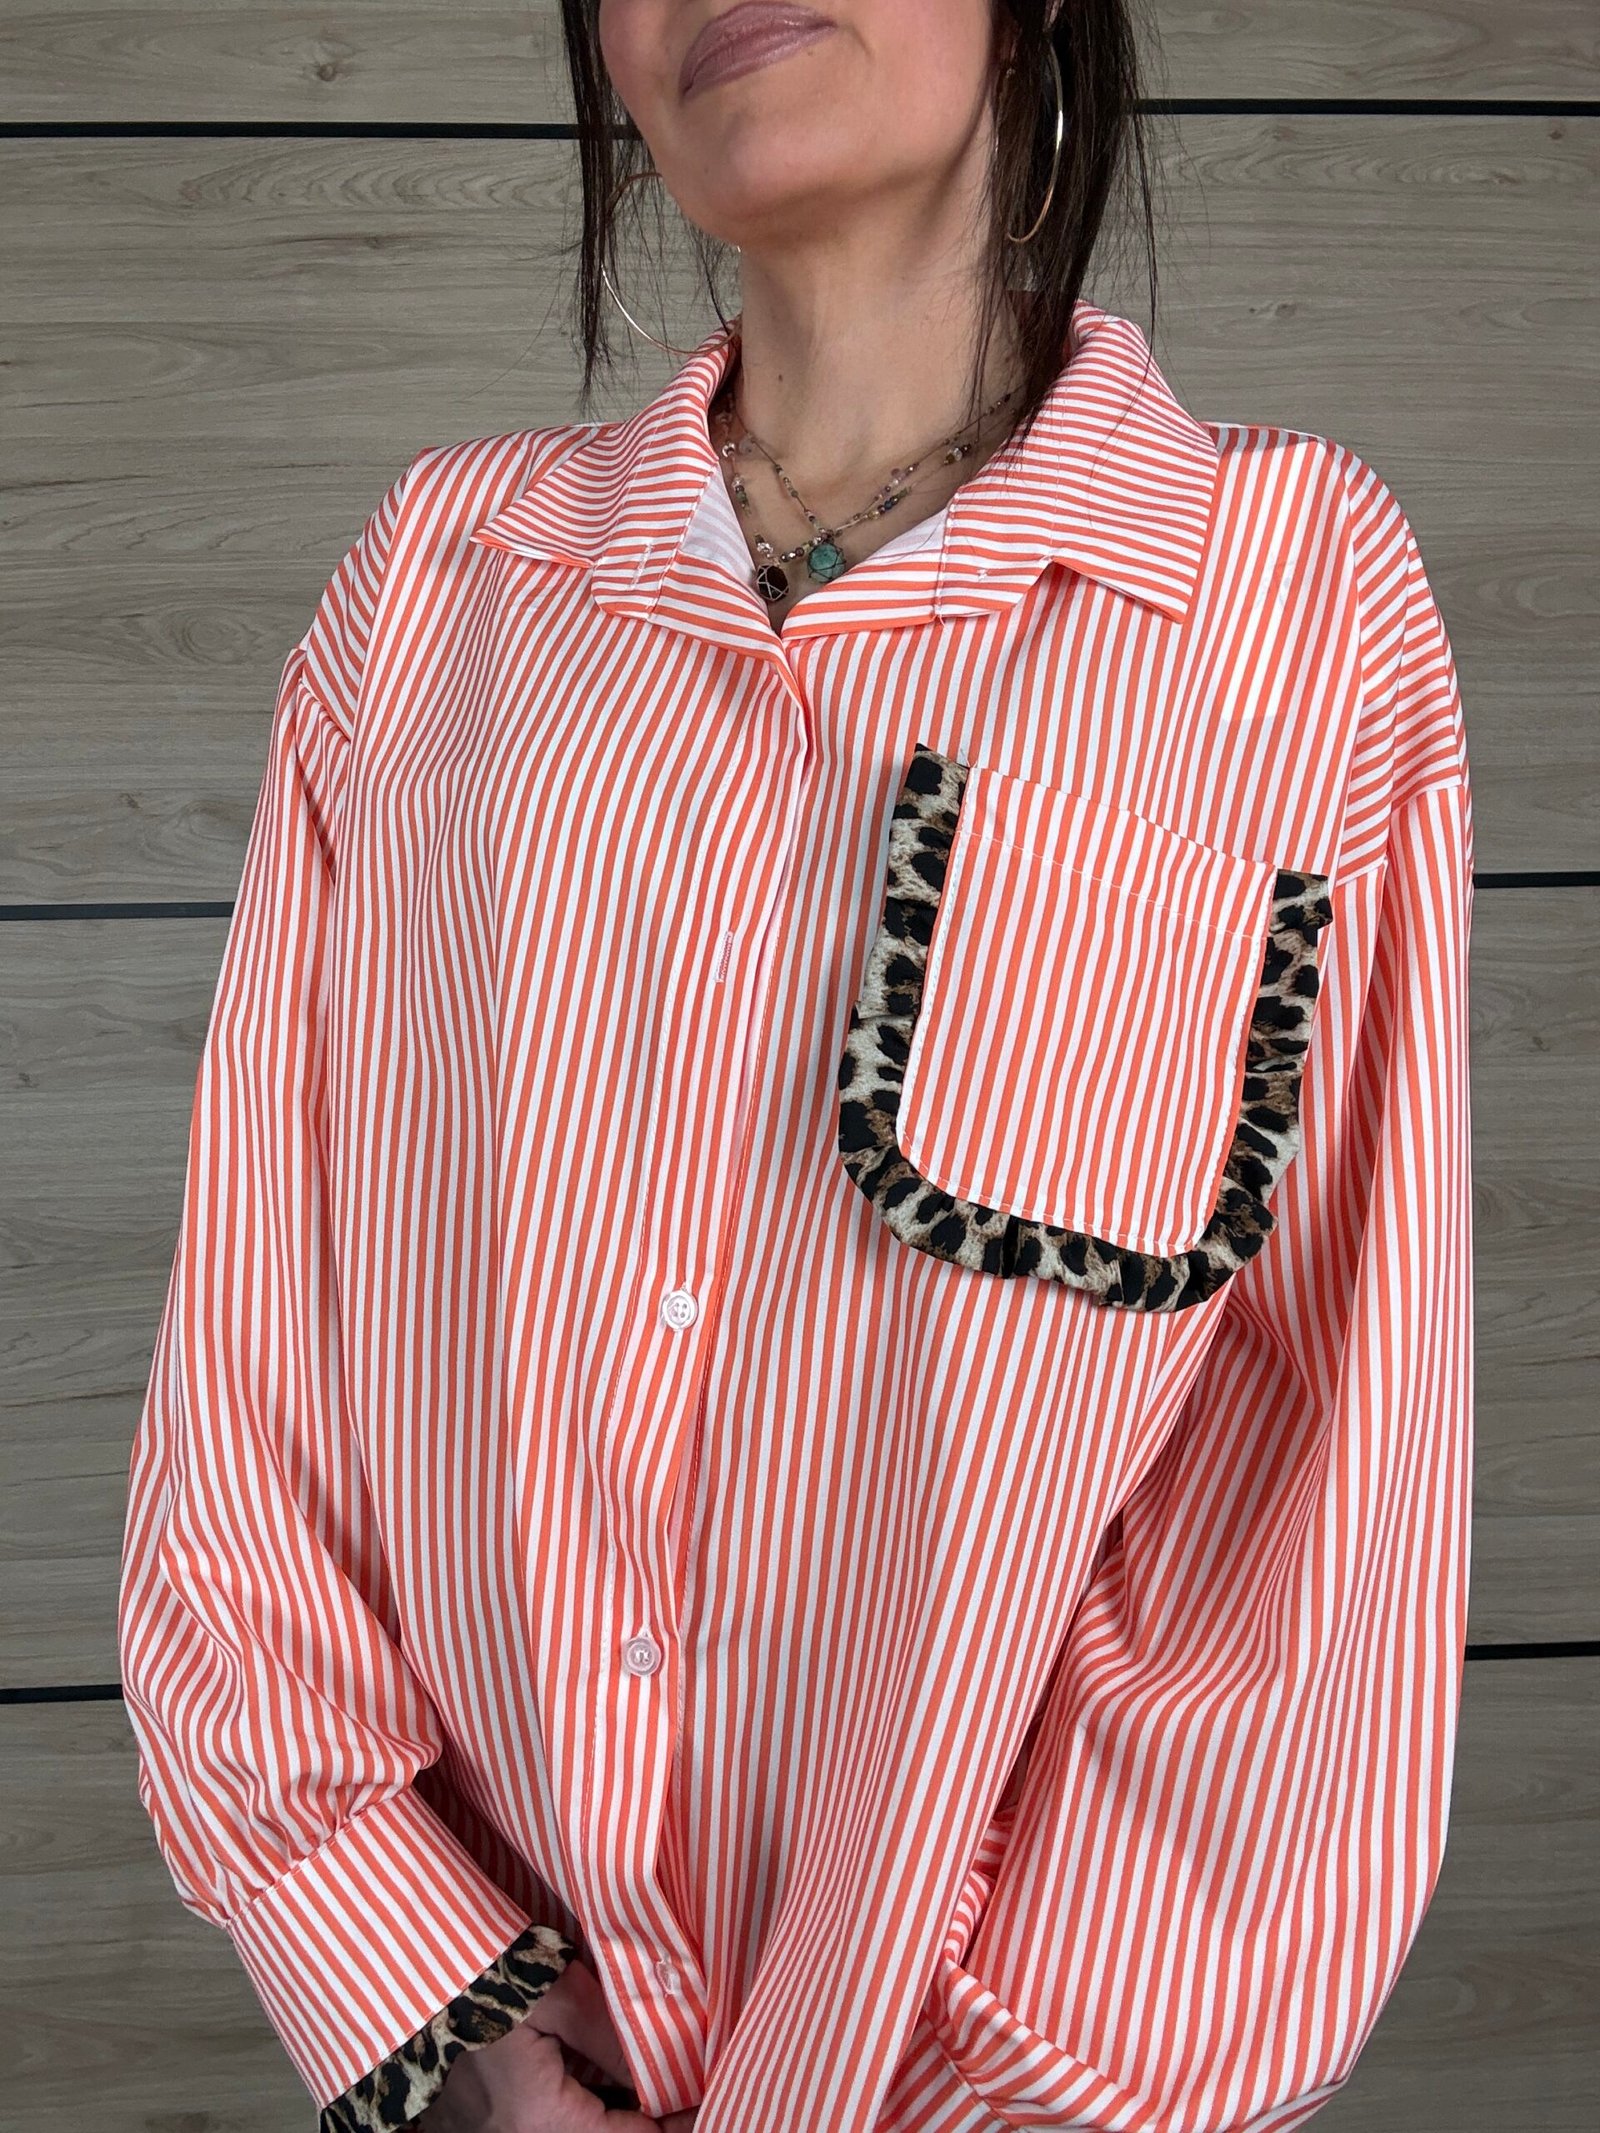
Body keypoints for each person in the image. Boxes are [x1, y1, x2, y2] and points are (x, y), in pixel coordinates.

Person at [117, 4, 1478, 2131]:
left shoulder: (1291, 603)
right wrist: (433, 2005)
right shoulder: (439, 594)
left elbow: (1320, 1474)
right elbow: (252, 1360)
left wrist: (1017, 2088)